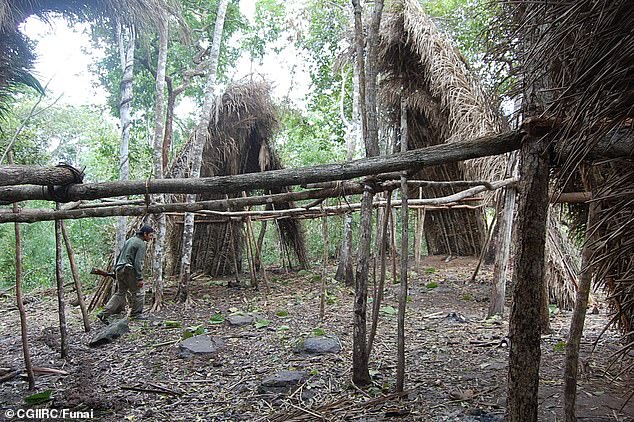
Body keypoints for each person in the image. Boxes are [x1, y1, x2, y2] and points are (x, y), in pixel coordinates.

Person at [97, 225, 154, 323]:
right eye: (150, 235)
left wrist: (116, 270)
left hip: (119, 268)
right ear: (145, 234)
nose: (151, 237)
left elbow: (120, 255)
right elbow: (138, 262)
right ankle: (136, 314)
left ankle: (104, 313)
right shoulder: (141, 244)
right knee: (139, 292)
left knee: (121, 292)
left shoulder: (129, 240)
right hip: (129, 269)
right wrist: (139, 278)